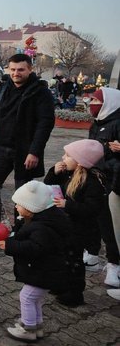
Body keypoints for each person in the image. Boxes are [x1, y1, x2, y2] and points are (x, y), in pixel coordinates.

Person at [0, 54, 55, 242]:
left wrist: (34, 151)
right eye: (13, 69)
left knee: (22, 194)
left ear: (30, 70)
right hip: (2, 147)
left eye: (21, 69)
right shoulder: (4, 87)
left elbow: (45, 124)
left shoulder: (41, 92)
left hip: (25, 150)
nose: (16, 73)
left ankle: (20, 231)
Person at [0, 181, 72, 342]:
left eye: (19, 204)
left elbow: (34, 248)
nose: (16, 207)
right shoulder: (42, 221)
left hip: (44, 272)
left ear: (32, 208)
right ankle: (36, 326)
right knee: (35, 299)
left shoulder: (41, 228)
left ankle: (28, 329)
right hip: (44, 271)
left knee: (26, 297)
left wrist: (10, 245)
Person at [43, 139, 107, 307]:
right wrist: (53, 172)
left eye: (68, 155)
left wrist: (68, 205)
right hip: (64, 226)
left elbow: (92, 209)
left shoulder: (92, 182)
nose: (63, 158)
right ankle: (60, 285)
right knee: (60, 258)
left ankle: (74, 294)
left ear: (80, 162)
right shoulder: (67, 174)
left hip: (79, 231)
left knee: (74, 262)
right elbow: (48, 185)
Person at [87, 87, 120, 300]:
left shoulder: (117, 123)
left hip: (113, 180)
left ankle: (114, 264)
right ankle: (91, 254)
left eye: (96, 101)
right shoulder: (96, 123)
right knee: (93, 217)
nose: (92, 105)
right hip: (96, 176)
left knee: (110, 223)